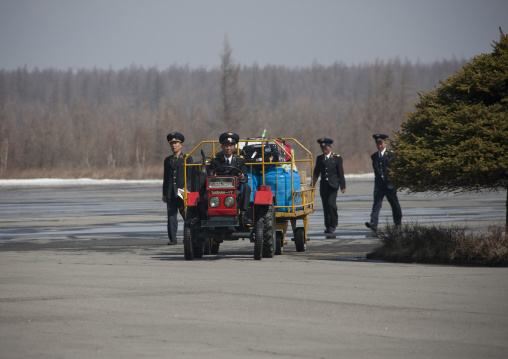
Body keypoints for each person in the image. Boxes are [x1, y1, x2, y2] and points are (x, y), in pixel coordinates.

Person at [365, 134, 402, 233]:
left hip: (389, 185)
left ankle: (398, 223)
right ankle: (373, 223)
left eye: (381, 143)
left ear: (385, 143)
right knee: (376, 204)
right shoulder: (374, 156)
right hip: (379, 185)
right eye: (377, 143)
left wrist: (394, 182)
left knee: (394, 204)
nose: (379, 145)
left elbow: (394, 170)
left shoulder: (391, 155)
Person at [162, 132, 194, 245]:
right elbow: (166, 177)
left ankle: (190, 236)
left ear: (181, 145)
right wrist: (164, 193)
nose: (174, 145)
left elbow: (190, 176)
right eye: (172, 144)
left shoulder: (187, 158)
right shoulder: (168, 160)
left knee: (186, 215)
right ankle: (173, 239)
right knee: (171, 217)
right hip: (170, 192)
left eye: (176, 143)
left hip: (182, 192)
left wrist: (187, 189)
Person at [209, 132, 251, 213]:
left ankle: (243, 211)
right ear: (222, 147)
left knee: (246, 187)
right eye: (226, 146)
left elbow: (246, 178)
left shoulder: (240, 160)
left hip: (235, 188)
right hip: (218, 187)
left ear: (234, 147)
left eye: (230, 145)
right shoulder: (215, 161)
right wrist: (212, 176)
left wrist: (242, 177)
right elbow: (209, 174)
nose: (228, 148)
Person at [312, 138, 346, 233]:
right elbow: (316, 172)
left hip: (333, 185)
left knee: (331, 204)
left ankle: (333, 224)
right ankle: (328, 225)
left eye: (326, 148)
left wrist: (343, 186)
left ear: (330, 147)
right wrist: (312, 184)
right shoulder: (320, 159)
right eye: (322, 148)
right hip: (324, 186)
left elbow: (340, 173)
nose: (324, 150)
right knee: (325, 206)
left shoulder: (337, 158)